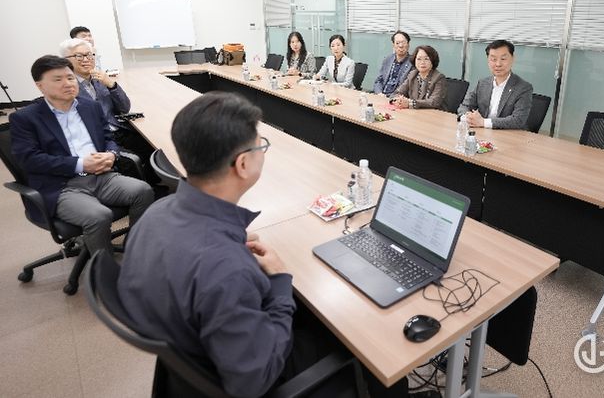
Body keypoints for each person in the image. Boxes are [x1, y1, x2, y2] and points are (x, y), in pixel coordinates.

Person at [118, 92, 407, 398]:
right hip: (262, 370)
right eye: (261, 146)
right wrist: (280, 280)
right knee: (370, 343)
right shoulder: (226, 269)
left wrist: (228, 240)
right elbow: (253, 382)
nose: (263, 152)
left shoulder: (156, 214)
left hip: (200, 353)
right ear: (243, 164)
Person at [10, 55, 154, 254]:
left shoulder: (89, 107)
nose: (68, 83)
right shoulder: (25, 118)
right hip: (61, 186)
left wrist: (112, 154)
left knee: (143, 191)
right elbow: (29, 160)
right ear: (40, 86)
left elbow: (108, 137)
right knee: (98, 215)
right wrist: (80, 164)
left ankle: (135, 249)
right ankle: (103, 269)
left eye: (70, 78)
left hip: (102, 176)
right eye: (58, 79)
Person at [60, 38, 156, 183]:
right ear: (65, 61)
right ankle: (143, 188)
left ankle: (152, 183)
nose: (86, 59)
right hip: (100, 138)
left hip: (119, 130)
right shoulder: (67, 88)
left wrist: (111, 85)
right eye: (79, 56)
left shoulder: (99, 80)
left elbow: (124, 107)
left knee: (153, 148)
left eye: (89, 55)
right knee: (131, 161)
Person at [458, 40, 532, 129]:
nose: (498, 64)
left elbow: (518, 120)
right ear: (488, 61)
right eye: (493, 59)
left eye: (503, 59)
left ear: (513, 59)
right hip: (482, 132)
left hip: (508, 134)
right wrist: (467, 117)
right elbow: (465, 106)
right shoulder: (482, 83)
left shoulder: (523, 88)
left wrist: (483, 122)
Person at [391, 45, 447, 110]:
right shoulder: (413, 74)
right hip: (415, 112)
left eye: (426, 59)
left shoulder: (439, 78)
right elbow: (397, 92)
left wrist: (410, 103)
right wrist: (399, 100)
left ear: (433, 61)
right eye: (419, 59)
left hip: (434, 113)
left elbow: (434, 102)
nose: (422, 62)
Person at [373, 31, 413, 95]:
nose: (400, 46)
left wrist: (391, 97)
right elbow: (379, 80)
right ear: (393, 45)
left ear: (408, 44)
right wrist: (379, 93)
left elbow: (407, 87)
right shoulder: (388, 59)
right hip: (381, 95)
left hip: (398, 97)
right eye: (397, 43)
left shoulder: (413, 62)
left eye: (403, 42)